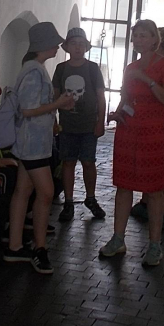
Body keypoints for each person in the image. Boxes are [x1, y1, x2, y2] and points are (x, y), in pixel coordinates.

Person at [100, 20, 164, 267]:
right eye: (136, 36)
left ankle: (154, 245)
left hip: (153, 133)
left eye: (144, 35)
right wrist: (118, 112)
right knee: (123, 186)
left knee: (154, 190)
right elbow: (126, 97)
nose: (139, 40)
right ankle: (118, 238)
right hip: (128, 132)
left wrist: (147, 79)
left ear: (155, 39)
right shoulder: (130, 67)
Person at [2, 22, 75, 274]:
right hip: (32, 144)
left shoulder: (34, 68)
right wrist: (58, 104)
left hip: (31, 142)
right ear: (44, 44)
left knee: (23, 191)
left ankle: (14, 246)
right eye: (55, 42)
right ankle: (39, 248)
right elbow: (28, 110)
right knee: (45, 193)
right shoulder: (34, 71)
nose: (58, 46)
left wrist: (56, 105)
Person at [52, 27, 107, 223]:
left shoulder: (92, 68)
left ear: (86, 47)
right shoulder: (61, 69)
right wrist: (54, 121)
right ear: (67, 47)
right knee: (68, 162)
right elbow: (54, 96)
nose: (77, 47)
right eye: (74, 44)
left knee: (88, 162)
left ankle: (90, 198)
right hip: (67, 126)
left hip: (88, 125)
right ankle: (68, 201)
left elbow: (100, 96)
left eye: (81, 44)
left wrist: (100, 121)